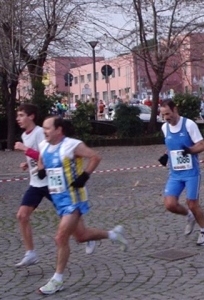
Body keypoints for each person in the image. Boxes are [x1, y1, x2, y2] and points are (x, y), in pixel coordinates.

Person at [36, 116, 128, 295]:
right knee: (81, 236)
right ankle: (114, 234)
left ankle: (57, 280)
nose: (44, 131)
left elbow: (95, 157)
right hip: (58, 200)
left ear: (59, 130)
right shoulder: (44, 145)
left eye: (47, 128)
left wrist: (84, 176)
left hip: (74, 199)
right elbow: (41, 159)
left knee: (61, 238)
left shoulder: (72, 145)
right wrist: (40, 170)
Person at [158, 99, 204, 246]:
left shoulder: (188, 124)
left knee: (192, 203)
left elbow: (202, 145)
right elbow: (172, 147)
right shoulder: (164, 128)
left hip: (191, 173)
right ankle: (189, 216)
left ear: (175, 110)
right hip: (175, 174)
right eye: (163, 115)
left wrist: (189, 150)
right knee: (170, 204)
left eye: (168, 114)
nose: (166, 118)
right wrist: (166, 156)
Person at [14, 104, 54, 267]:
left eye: (21, 115)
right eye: (17, 115)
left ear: (31, 117)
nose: (18, 119)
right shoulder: (25, 134)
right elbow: (35, 157)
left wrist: (25, 149)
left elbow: (45, 156)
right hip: (36, 183)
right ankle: (31, 253)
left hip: (50, 182)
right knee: (22, 215)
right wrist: (27, 163)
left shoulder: (39, 132)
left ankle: (86, 236)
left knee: (68, 215)